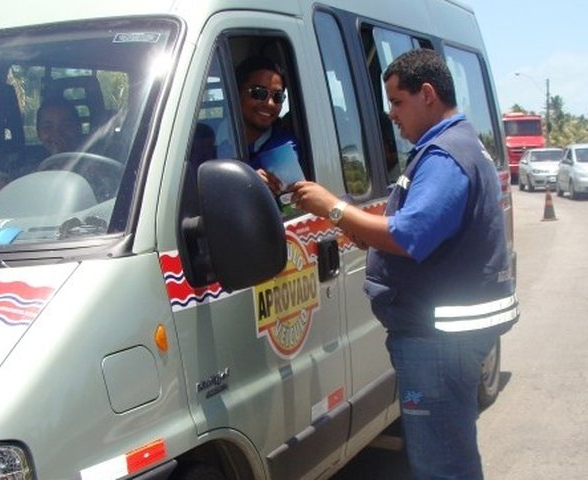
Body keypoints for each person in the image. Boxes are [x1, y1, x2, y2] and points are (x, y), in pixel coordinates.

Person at [289, 48, 518, 479]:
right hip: (441, 338)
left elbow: (409, 234)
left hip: (437, 342)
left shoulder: (445, 154)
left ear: (427, 94)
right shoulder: (457, 145)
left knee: (442, 466)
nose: (391, 115)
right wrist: (365, 231)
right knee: (451, 454)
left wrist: (334, 207)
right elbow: (419, 228)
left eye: (396, 102)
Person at [221, 56, 301, 194]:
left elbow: (286, 202)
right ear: (235, 92)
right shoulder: (200, 140)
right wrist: (244, 180)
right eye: (259, 93)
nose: (270, 103)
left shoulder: (283, 148)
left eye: (278, 97)